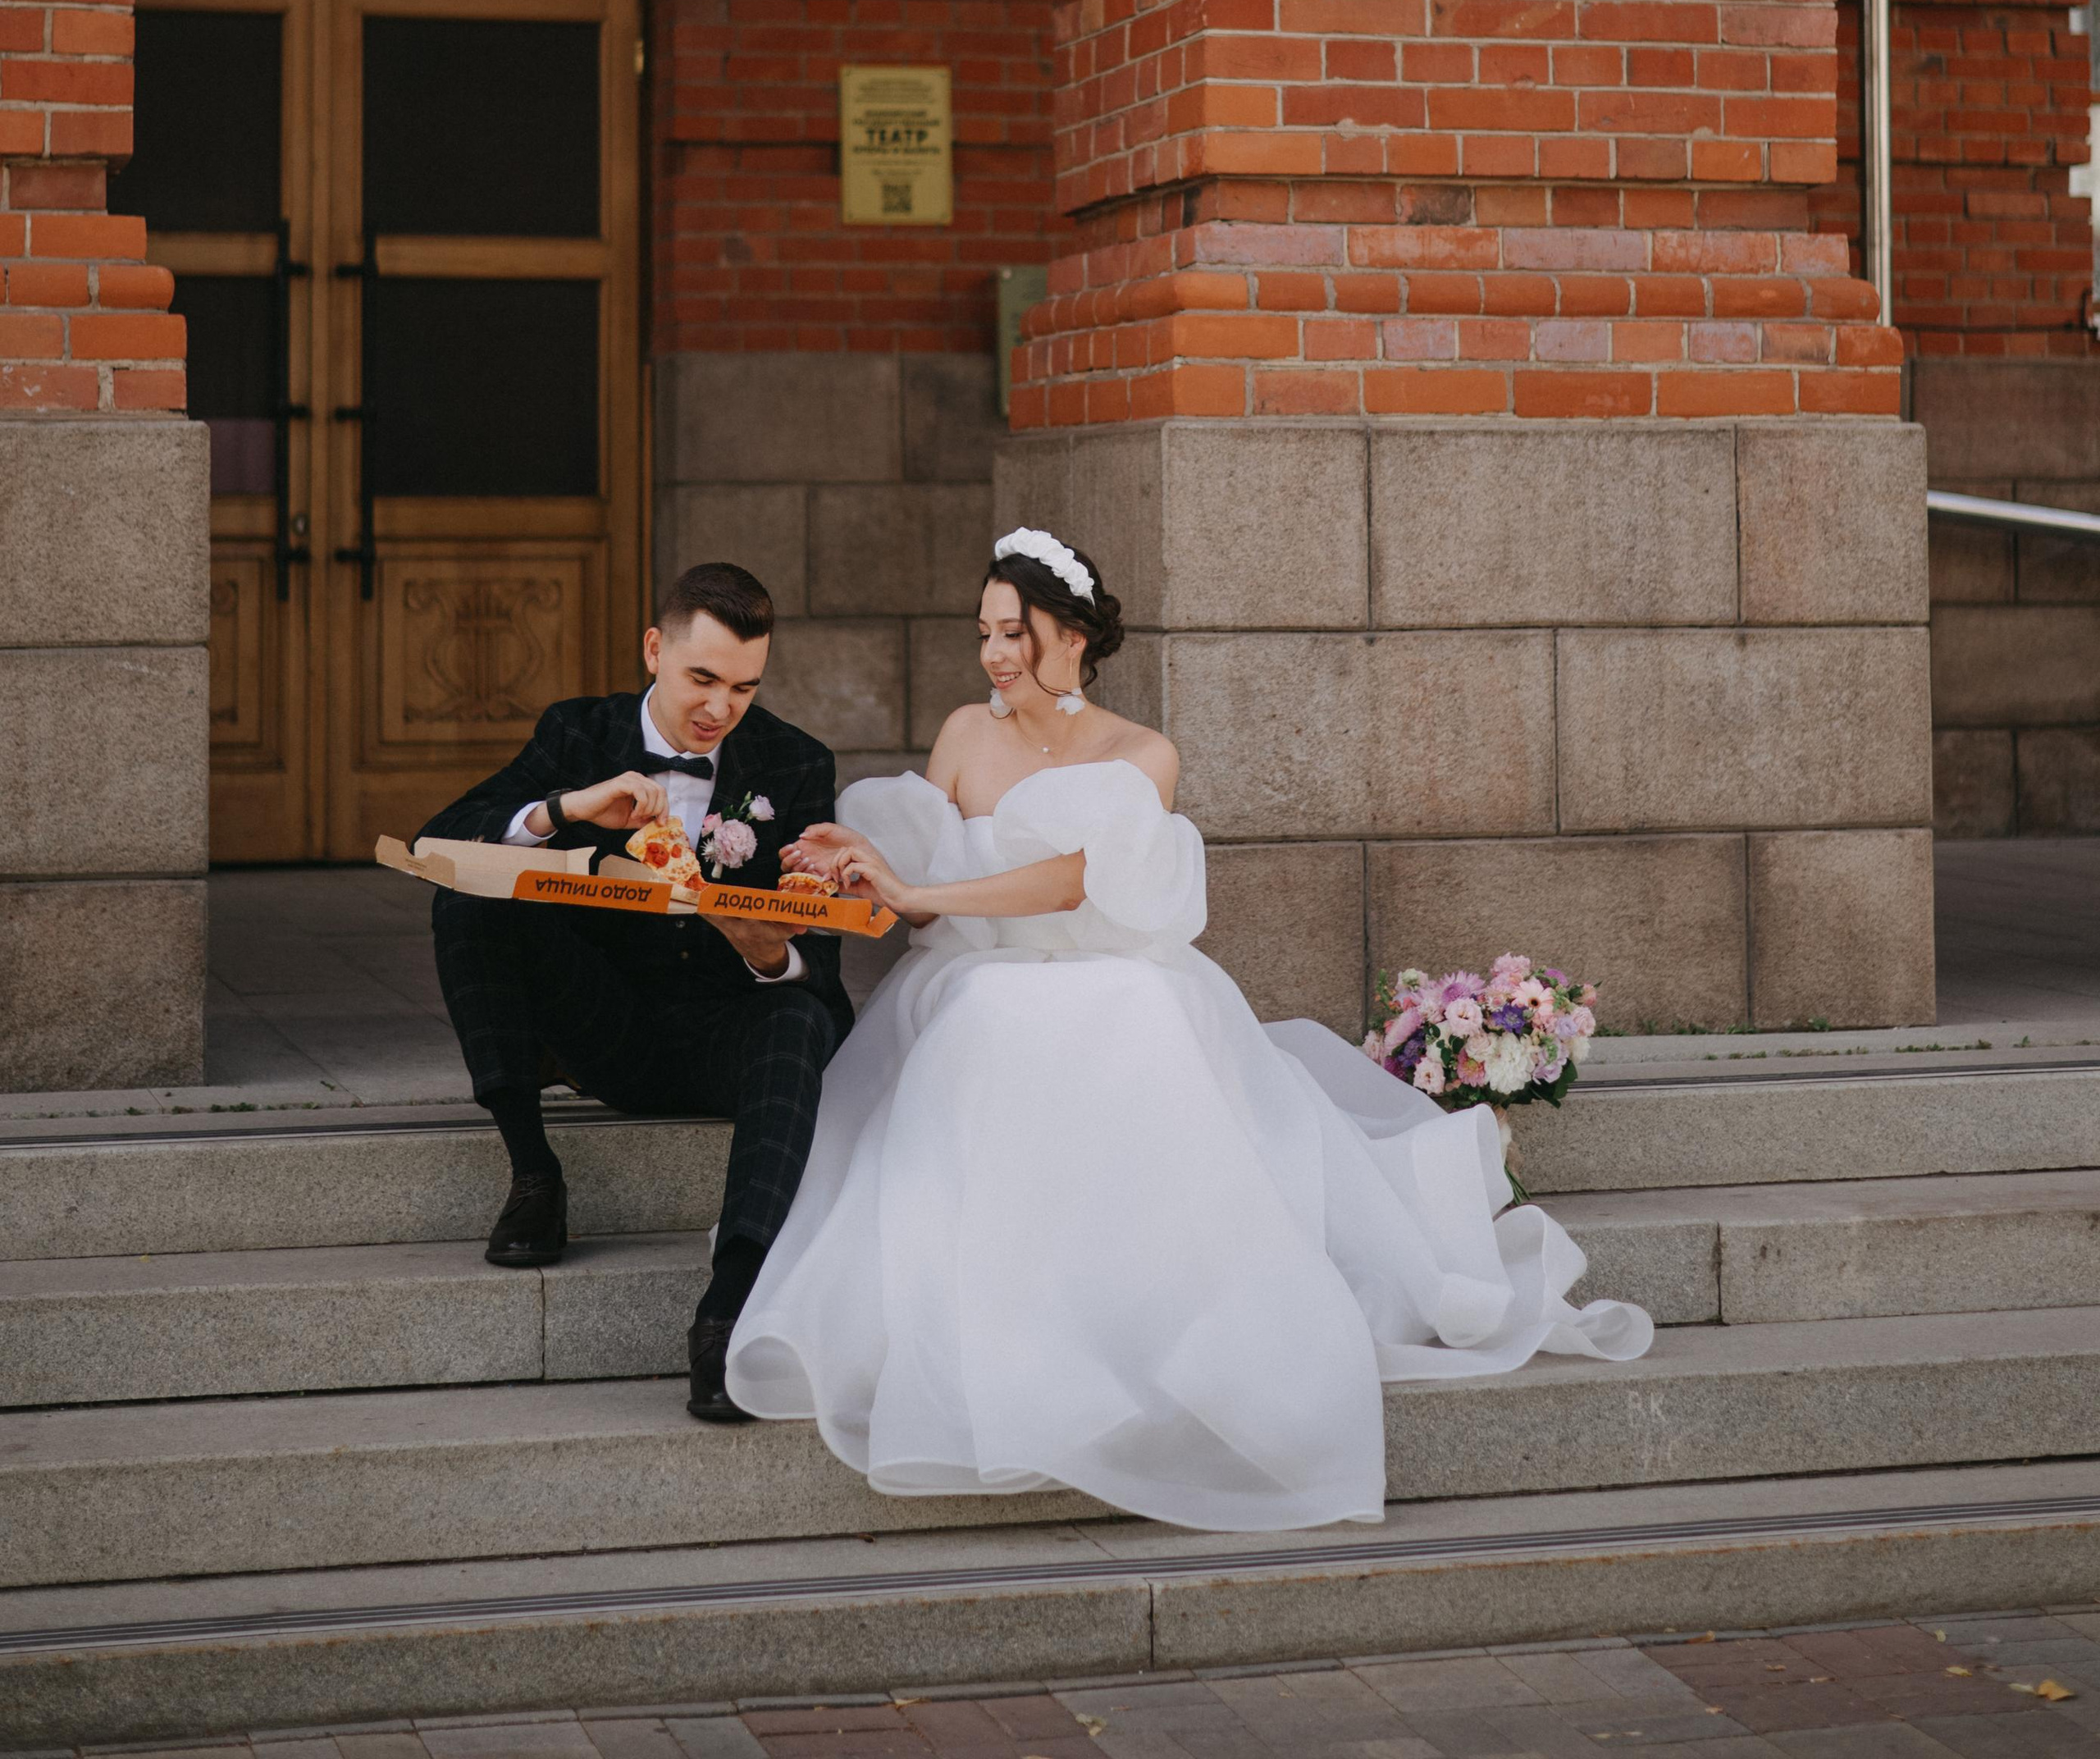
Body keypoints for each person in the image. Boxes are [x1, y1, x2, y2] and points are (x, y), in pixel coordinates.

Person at [727, 525, 1653, 1533]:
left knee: (1135, 1007)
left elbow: (1077, 875)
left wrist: (924, 882)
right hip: (976, 977)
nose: (995, 654)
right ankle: (1021, 1347)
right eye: (985, 632)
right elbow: (919, 909)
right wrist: (867, 861)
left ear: (1072, 634)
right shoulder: (962, 734)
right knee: (991, 1009)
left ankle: (1161, 1331)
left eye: (1016, 631)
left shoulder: (1141, 752)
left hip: (1109, 969)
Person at [420, 559, 853, 1423]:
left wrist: (768, 951)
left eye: (742, 685)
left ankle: (729, 1308)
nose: (720, 706)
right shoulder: (578, 732)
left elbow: (826, 974)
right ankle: (535, 1171)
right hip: (605, 1026)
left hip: (727, 1032)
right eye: (701, 676)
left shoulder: (795, 760)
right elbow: (445, 837)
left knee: (799, 1016)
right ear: (654, 648)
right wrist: (565, 808)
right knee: (469, 899)